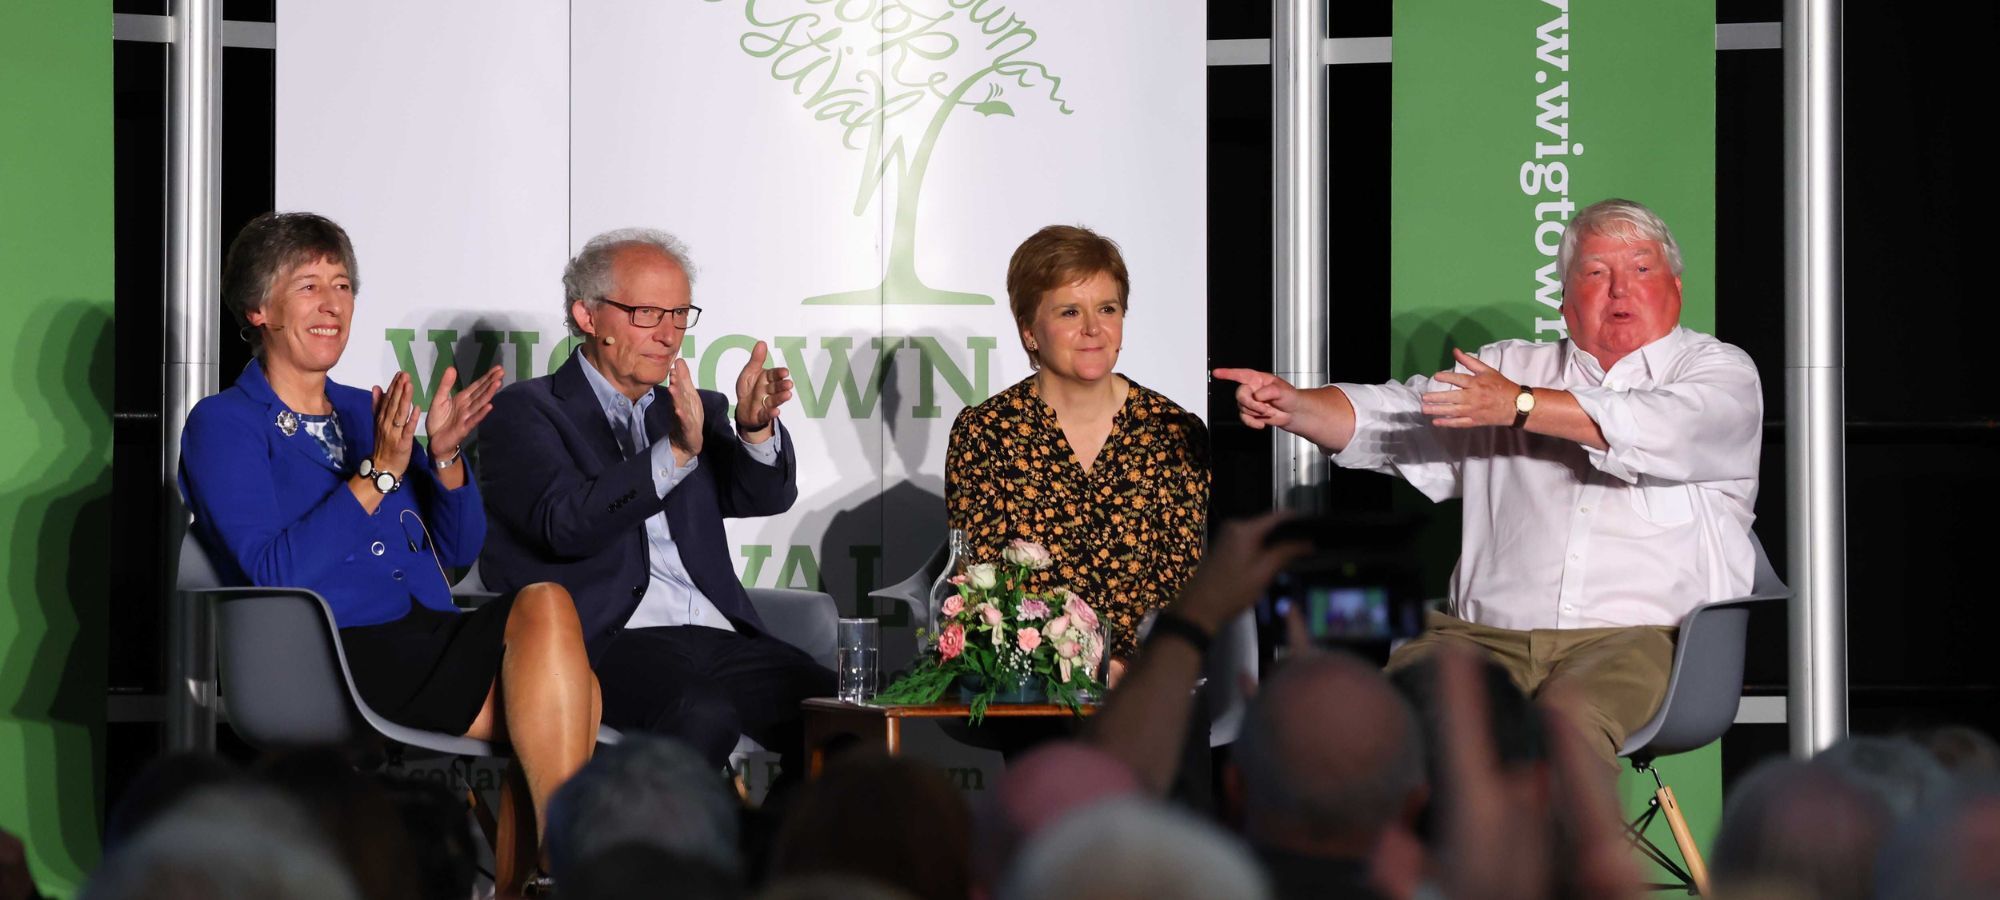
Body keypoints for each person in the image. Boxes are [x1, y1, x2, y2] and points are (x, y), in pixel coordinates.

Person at [1217, 198, 1762, 765]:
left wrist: (1520, 405)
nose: (1620, 289)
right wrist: (1297, 406)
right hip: (1478, 638)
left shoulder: (1721, 373)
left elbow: (1662, 427)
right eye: (1596, 272)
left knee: (1564, 724)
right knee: (1379, 726)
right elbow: (1402, 416)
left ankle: (1556, 856)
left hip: (1637, 641)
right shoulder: (1506, 370)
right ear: (1565, 299)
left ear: (1676, 286)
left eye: (1641, 269)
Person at [178, 212, 600, 847]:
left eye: (343, 285)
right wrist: (376, 474)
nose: (332, 305)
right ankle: (557, 868)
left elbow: (455, 553)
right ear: (257, 307)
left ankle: (551, 868)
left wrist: (449, 457)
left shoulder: (363, 408)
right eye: (309, 285)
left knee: (547, 607)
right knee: (571, 703)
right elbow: (272, 572)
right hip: (335, 648)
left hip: (426, 629)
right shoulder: (225, 423)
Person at [476, 228, 833, 772]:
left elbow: (764, 495)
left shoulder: (692, 407)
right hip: (605, 641)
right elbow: (563, 524)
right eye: (647, 313)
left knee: (846, 714)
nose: (668, 334)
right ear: (588, 317)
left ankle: (781, 853)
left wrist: (755, 429)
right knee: (702, 713)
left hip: (719, 636)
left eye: (679, 314)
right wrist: (673, 454)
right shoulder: (528, 412)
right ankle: (655, 857)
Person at [946, 224, 1211, 672]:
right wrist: (1070, 671)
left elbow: (1179, 584)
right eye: (1069, 312)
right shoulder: (986, 433)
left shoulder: (1173, 431)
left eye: (1107, 309)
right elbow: (983, 588)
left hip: (1151, 683)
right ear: (1029, 330)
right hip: (1035, 683)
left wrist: (1126, 671)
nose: (1093, 329)